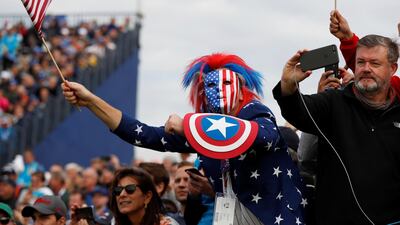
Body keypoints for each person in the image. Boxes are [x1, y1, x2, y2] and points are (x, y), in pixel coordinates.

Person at [62, 53, 306, 224]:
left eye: (225, 83)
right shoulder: (203, 135)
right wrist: (91, 101)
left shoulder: (254, 112)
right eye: (209, 86)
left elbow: (263, 136)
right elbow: (144, 135)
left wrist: (189, 124)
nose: (217, 91)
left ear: (241, 85)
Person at [273, 33, 400, 224]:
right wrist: (288, 86)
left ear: (392, 68)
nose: (366, 69)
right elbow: (297, 111)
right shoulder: (333, 102)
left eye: (374, 63)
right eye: (360, 62)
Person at [103, 167, 177, 225]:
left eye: (130, 189)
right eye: (118, 190)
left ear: (147, 197)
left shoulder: (166, 224)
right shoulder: (111, 223)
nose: (122, 194)